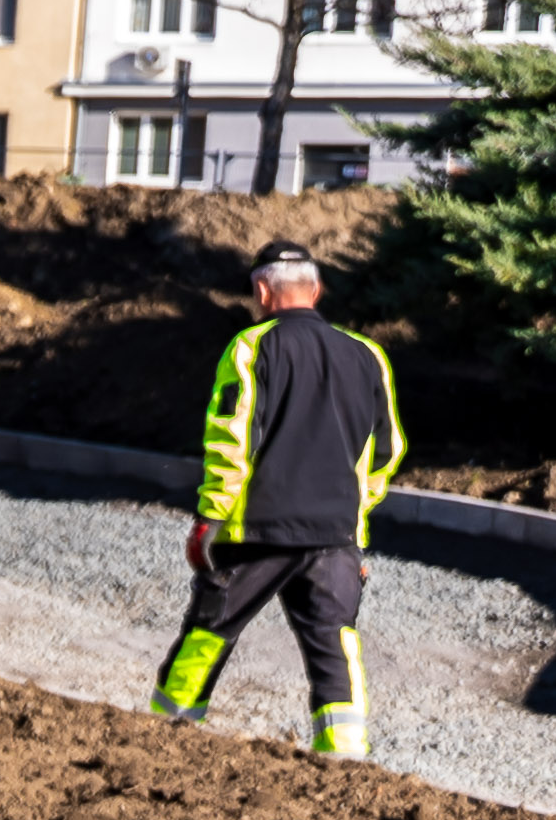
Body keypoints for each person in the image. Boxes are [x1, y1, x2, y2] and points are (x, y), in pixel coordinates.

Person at [151, 241, 405, 760]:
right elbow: (387, 451)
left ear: (262, 291)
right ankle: (347, 757)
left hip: (257, 533)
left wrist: (211, 518)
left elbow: (231, 439)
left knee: (208, 633)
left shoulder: (250, 348)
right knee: (337, 645)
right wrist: (353, 520)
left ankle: (163, 736)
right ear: (315, 291)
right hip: (335, 537)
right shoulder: (368, 355)